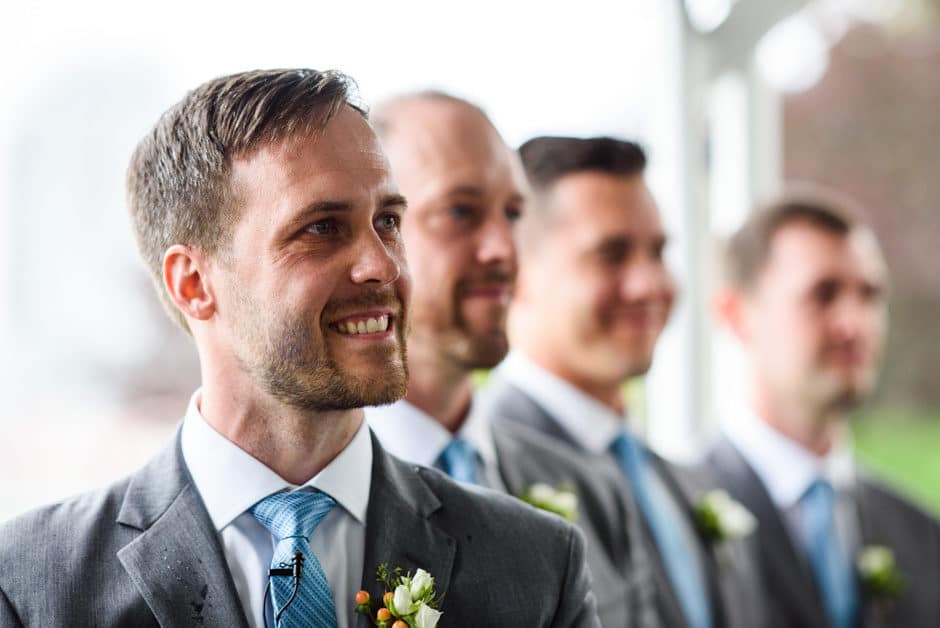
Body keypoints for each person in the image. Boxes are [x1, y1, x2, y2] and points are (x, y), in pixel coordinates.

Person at [0, 69, 599, 628]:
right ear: (195, 284)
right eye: (321, 228)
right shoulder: (32, 586)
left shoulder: (538, 567)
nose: (383, 265)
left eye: (387, 221)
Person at [365, 92, 643, 627]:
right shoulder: (321, 506)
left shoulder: (594, 488)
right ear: (377, 231)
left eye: (513, 213)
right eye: (460, 212)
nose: (503, 249)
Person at [483, 136, 734, 628]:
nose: (649, 285)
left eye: (658, 252)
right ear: (517, 268)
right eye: (611, 254)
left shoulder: (677, 478)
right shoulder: (483, 472)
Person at [699, 193, 940, 627]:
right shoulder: (684, 515)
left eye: (869, 294)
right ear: (736, 314)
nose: (855, 323)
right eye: (823, 294)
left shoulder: (920, 531)